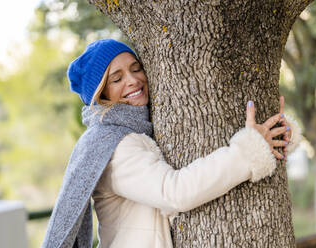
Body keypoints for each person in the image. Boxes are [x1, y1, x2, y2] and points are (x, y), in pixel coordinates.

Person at [41, 39, 301, 248]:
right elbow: (174, 192)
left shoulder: (141, 129)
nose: (132, 80)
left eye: (135, 68)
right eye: (117, 79)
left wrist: (274, 135)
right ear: (101, 94)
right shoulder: (114, 146)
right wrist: (246, 153)